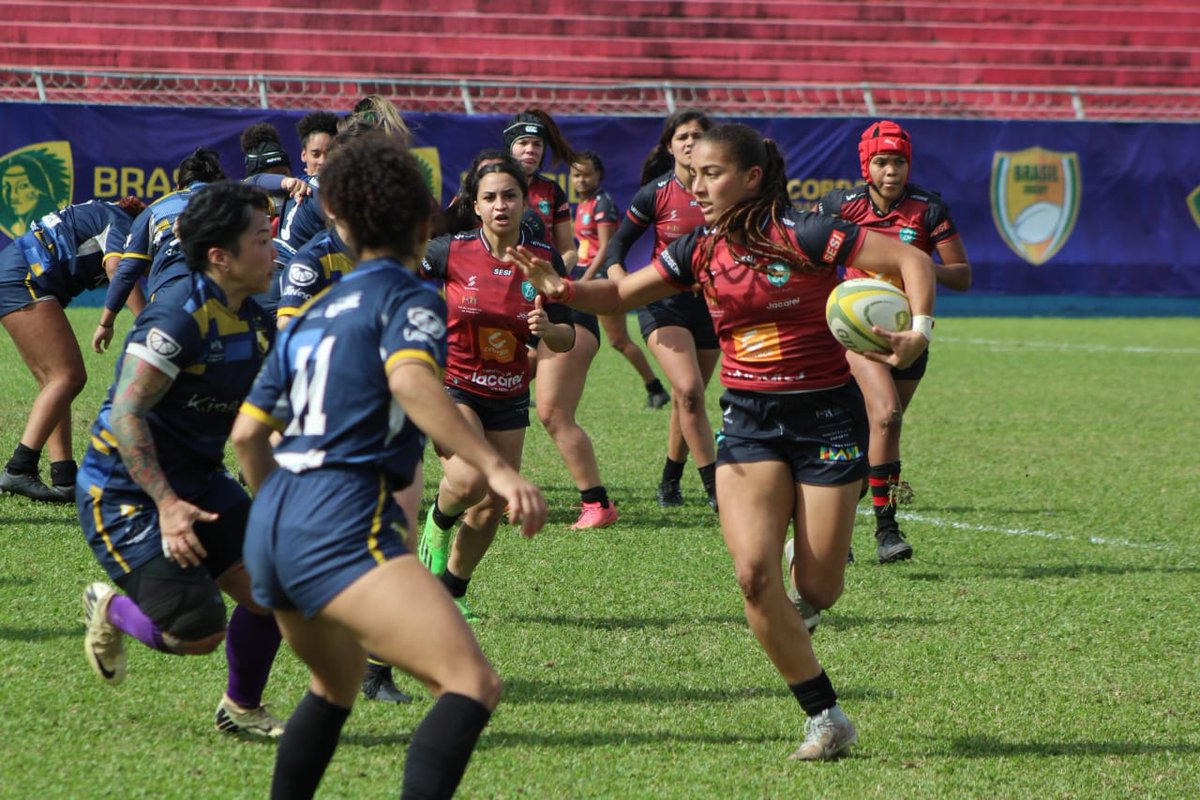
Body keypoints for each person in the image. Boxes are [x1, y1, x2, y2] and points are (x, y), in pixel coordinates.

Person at [512, 122, 937, 761]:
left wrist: (919, 329)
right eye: (693, 174)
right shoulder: (698, 248)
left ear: (751, 178)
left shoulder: (808, 232)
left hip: (826, 417)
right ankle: (825, 717)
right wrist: (562, 288)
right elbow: (623, 291)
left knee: (820, 590)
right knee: (753, 579)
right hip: (749, 422)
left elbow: (912, 260)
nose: (697, 186)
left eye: (711, 174)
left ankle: (805, 574)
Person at [231, 133, 547, 800]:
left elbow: (248, 436)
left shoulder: (313, 313)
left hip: (272, 531)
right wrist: (497, 469)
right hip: (340, 524)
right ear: (425, 226)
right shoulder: (409, 296)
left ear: (341, 225)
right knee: (472, 684)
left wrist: (279, 519)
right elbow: (410, 382)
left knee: (334, 684)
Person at [77, 181, 285, 738]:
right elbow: (127, 415)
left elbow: (268, 418)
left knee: (274, 589)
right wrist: (167, 505)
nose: (274, 250)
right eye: (262, 240)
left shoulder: (255, 320)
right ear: (221, 256)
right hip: (123, 491)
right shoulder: (176, 317)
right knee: (198, 633)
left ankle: (241, 709)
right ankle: (111, 609)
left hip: (199, 479)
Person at [418, 159, 574, 618]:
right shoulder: (449, 251)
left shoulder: (544, 259)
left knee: (491, 506)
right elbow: (395, 281)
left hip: (509, 393)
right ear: (475, 206)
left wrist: (547, 329)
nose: (500, 205)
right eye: (490, 197)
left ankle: (453, 589)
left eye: (509, 195)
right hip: (455, 386)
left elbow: (566, 338)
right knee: (469, 480)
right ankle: (438, 520)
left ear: (526, 202)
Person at [816, 120, 972, 563]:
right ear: (866, 166)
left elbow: (961, 275)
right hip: (857, 334)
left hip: (909, 334)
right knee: (885, 417)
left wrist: (912, 264)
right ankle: (887, 531)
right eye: (882, 162)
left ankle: (834, 528)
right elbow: (810, 257)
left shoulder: (928, 209)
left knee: (875, 432)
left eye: (899, 162)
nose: (891, 171)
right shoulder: (839, 206)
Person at [503, 110, 619, 529]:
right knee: (496, 397)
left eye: (537, 144)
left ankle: (597, 504)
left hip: (560, 309)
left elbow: (569, 250)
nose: (531, 150)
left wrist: (550, 277)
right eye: (523, 142)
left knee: (552, 412)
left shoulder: (551, 191)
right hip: (511, 312)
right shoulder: (487, 184)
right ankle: (503, 494)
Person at [602, 109, 720, 509]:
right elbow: (617, 246)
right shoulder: (655, 193)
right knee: (688, 390)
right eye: (682, 136)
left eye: (697, 135)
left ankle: (669, 480)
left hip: (712, 307)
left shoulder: (723, 191)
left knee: (689, 397)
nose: (690, 142)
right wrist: (621, 283)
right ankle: (715, 489)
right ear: (669, 146)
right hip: (662, 303)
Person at [0, 197, 145, 502]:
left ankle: (64, 477)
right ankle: (19, 468)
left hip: (18, 275)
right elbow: (118, 269)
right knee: (68, 377)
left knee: (55, 382)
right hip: (24, 279)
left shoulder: (109, 215)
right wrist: (148, 322)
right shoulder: (122, 222)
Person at [95, 147, 228, 346]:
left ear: (178, 186)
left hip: (169, 299)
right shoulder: (234, 205)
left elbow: (126, 272)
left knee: (158, 363)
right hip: (223, 296)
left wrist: (106, 323)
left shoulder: (154, 210)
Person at [570, 151, 669, 409]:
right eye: (576, 175)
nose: (581, 180)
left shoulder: (602, 203)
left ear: (598, 175)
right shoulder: (584, 202)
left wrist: (585, 278)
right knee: (570, 331)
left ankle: (656, 388)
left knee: (618, 340)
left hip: (600, 277)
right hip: (586, 274)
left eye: (586, 174)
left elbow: (606, 247)